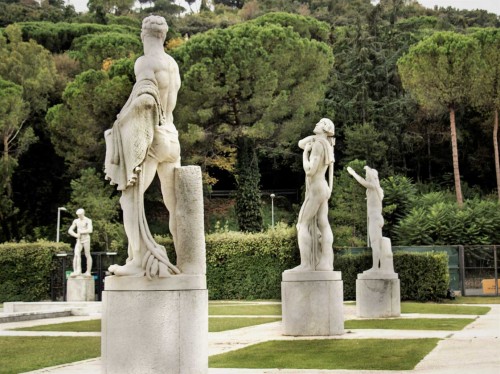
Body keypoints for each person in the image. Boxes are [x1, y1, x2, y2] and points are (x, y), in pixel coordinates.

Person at [104, 15, 181, 278]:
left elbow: (146, 99)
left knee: (130, 199)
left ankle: (137, 260)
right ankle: (186, 260)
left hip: (154, 138)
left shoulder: (144, 62)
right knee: (176, 205)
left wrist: (121, 120)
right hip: (173, 136)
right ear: (164, 36)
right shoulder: (172, 64)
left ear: (143, 34)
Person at [289, 118, 335, 272]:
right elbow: (301, 142)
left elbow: (310, 170)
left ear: (326, 128)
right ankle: (326, 263)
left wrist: (305, 154)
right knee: (323, 223)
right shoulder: (326, 144)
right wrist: (313, 139)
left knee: (302, 224)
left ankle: (306, 265)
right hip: (324, 187)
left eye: (321, 123)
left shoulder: (317, 146)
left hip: (316, 188)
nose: (316, 123)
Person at [346, 165, 385, 272]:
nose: (366, 177)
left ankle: (376, 267)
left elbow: (362, 181)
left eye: (367, 176)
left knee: (375, 243)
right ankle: (381, 267)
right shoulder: (376, 190)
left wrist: (353, 173)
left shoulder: (372, 186)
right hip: (378, 218)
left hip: (374, 218)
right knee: (378, 243)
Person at [68, 208, 93, 277]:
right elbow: (70, 230)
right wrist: (75, 235)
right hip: (79, 240)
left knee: (87, 254)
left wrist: (81, 232)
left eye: (80, 215)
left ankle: (88, 271)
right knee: (76, 254)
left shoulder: (88, 220)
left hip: (86, 239)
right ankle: (77, 271)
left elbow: (90, 230)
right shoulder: (76, 221)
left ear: (83, 213)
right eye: (78, 215)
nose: (79, 216)